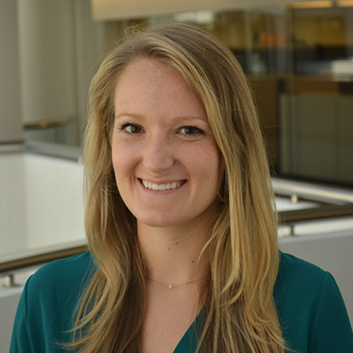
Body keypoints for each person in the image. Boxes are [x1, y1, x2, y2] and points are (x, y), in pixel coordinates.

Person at [10, 23, 353, 353]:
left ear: (231, 149)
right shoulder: (48, 298)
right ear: (107, 143)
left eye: (189, 130)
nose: (156, 161)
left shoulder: (308, 300)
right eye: (132, 128)